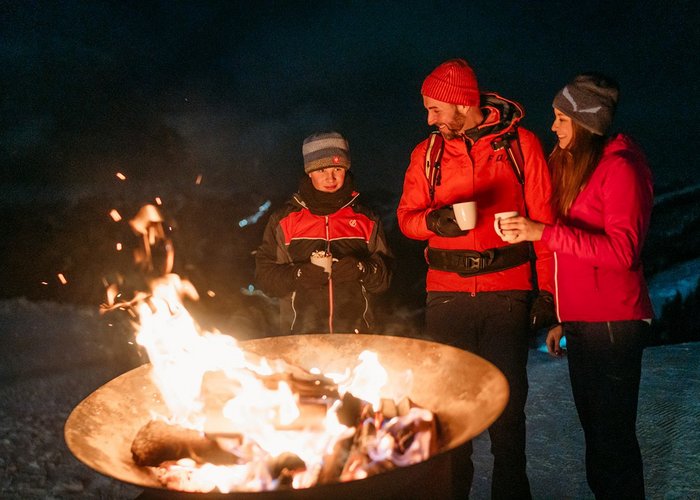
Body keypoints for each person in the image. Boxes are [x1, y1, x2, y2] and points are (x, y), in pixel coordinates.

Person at [397, 58, 556, 499]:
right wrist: (436, 222)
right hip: (446, 296)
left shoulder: (521, 146)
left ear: (460, 103)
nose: (429, 118)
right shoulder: (427, 153)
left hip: (507, 292)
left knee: (507, 413)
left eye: (434, 109)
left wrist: (547, 293)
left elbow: (544, 221)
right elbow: (407, 219)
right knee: (449, 414)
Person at [500, 73, 653, 499]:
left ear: (584, 122)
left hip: (614, 325)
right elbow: (576, 258)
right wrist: (562, 319)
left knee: (612, 444)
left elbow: (623, 252)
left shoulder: (621, 168)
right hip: (586, 322)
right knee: (598, 440)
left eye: (560, 119)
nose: (553, 127)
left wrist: (542, 233)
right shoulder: (583, 168)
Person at [255, 131, 392, 335]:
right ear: (309, 172)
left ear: (346, 169)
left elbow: (385, 277)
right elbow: (265, 277)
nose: (331, 178)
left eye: (337, 168)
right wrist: (298, 275)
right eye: (321, 170)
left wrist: (362, 268)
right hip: (300, 337)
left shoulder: (366, 219)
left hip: (357, 337)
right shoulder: (284, 220)